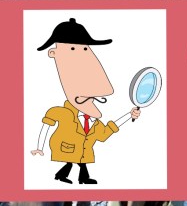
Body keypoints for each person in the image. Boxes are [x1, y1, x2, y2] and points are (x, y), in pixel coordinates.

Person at [30, 16, 140, 185]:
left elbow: (108, 130)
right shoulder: (62, 113)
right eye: (74, 48)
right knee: (71, 163)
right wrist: (39, 147)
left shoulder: (95, 123)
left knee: (81, 163)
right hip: (65, 149)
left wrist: (129, 115)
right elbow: (46, 125)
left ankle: (80, 178)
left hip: (82, 153)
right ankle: (65, 176)